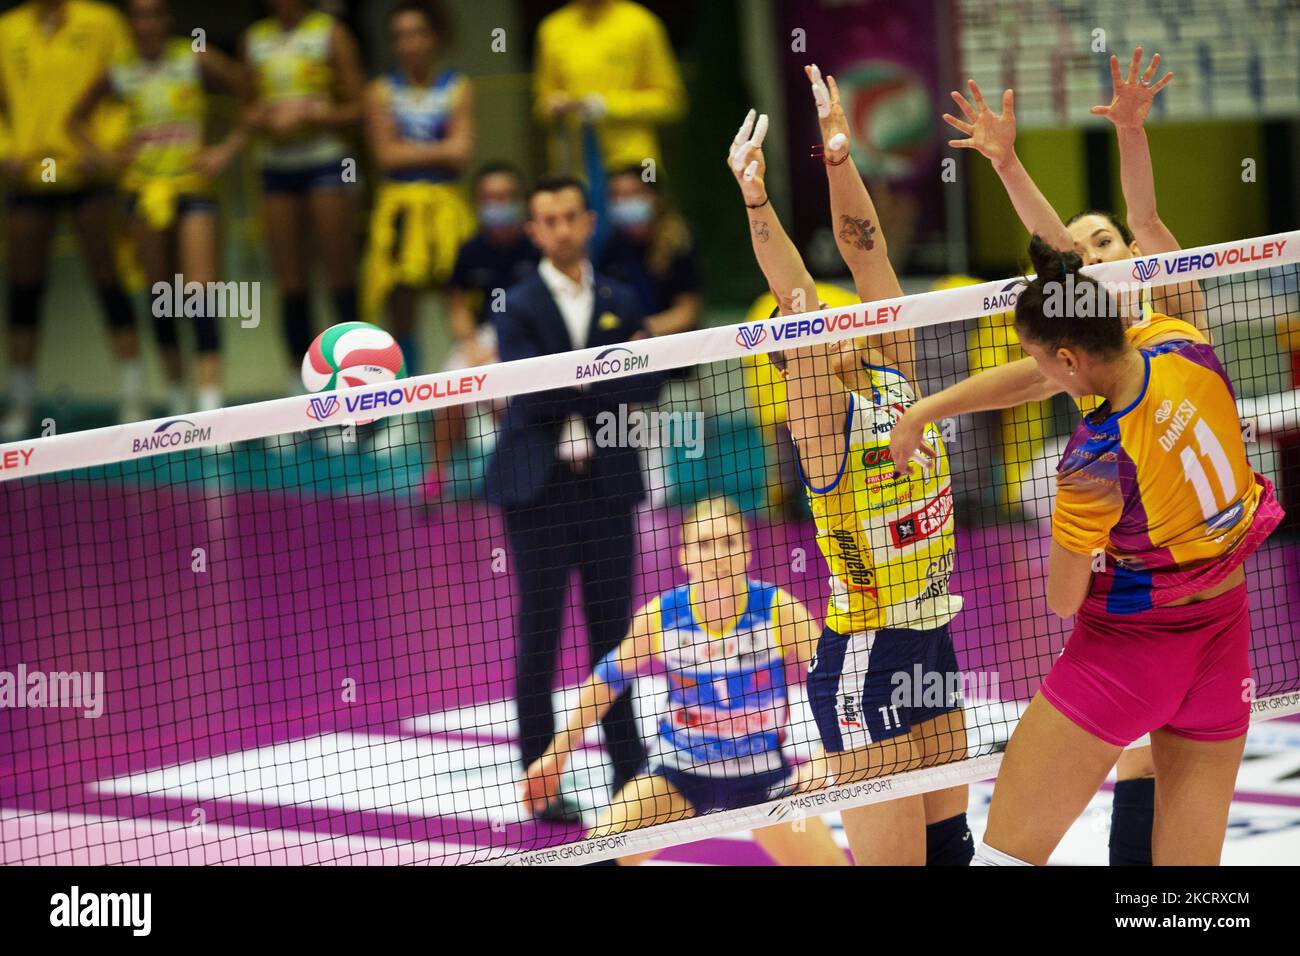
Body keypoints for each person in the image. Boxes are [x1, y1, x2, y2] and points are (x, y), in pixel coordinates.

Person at [894, 48, 1211, 865]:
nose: (1091, 254)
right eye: (1080, 250)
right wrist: (930, 405)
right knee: (1134, 746)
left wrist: (1132, 134)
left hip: (1195, 553)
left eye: (1099, 242)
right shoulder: (1080, 356)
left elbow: (1142, 224)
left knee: (1153, 747)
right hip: (1129, 556)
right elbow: (1018, 378)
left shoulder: (1169, 308)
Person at [963, 237, 1283, 866]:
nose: (1042, 379)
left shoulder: (1095, 456)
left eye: (1042, 364)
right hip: (1224, 641)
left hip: (1128, 655)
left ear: (1067, 360)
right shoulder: (1176, 340)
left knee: (1004, 860)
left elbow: (1061, 599)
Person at [726, 66, 971, 868]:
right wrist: (757, 203)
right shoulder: (820, 420)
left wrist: (838, 158)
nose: (835, 314)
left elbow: (867, 254)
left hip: (929, 635)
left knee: (952, 849)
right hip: (865, 657)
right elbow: (793, 292)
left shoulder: (894, 366)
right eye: (816, 322)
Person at [520, 497, 847, 866]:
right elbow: (606, 680)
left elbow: (835, 684)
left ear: (746, 552)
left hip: (764, 779)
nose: (717, 556)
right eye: (704, 544)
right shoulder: (661, 617)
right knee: (597, 858)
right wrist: (556, 756)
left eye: (729, 542)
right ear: (684, 557)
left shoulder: (778, 609)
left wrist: (825, 758)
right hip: (678, 772)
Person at [484, 174, 664, 821]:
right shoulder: (515, 304)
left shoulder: (619, 294)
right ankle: (541, 782)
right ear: (534, 231)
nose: (560, 228)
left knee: (616, 639)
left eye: (569, 216)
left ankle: (629, 770)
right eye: (546, 219)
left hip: (608, 488)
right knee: (540, 636)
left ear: (588, 221)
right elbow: (531, 397)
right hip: (538, 494)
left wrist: (595, 376)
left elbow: (651, 386)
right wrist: (612, 365)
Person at [69, 0, 250, 416]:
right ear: (131, 22)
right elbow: (75, 120)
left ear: (169, 19)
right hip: (143, 193)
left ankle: (210, 405)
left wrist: (225, 150)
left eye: (156, 14)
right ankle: (176, 396)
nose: (147, 23)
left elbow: (252, 95)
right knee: (161, 295)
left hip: (193, 188)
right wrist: (109, 157)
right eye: (139, 15)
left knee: (200, 294)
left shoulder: (194, 58)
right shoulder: (120, 69)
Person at [0, 0, 142, 438]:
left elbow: (130, 87)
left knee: (108, 280)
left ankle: (133, 396)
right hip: (30, 179)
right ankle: (21, 403)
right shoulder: (7, 29)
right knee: (24, 289)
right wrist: (6, 152)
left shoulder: (102, 22)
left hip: (88, 175)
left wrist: (106, 149)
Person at [242, 0, 364, 388]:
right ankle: (300, 389)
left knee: (339, 274)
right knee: (290, 282)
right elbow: (246, 109)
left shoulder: (330, 33)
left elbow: (359, 105)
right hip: (276, 167)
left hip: (326, 161)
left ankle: (357, 380)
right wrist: (262, 118)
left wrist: (313, 116)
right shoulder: (253, 39)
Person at [361, 0, 475, 371]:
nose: (409, 43)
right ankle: (406, 412)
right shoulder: (380, 91)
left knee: (458, 295)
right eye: (400, 36)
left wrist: (408, 149)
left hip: (446, 207)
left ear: (434, 37)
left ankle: (471, 395)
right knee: (400, 303)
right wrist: (439, 151)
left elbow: (462, 153)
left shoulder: (458, 87)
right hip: (398, 208)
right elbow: (385, 157)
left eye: (418, 33)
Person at [422, 162, 538, 502]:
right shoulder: (470, 250)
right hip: (482, 339)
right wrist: (471, 344)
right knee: (448, 389)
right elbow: (456, 304)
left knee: (509, 400)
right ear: (477, 203)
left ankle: (516, 472)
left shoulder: (536, 248)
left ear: (521, 200)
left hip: (529, 339)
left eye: (505, 197)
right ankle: (436, 474)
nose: (498, 205)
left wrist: (505, 349)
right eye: (489, 198)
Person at [533, 0, 685, 173]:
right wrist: (552, 106)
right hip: (576, 163)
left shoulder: (640, 23)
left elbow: (671, 101)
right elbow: (542, 103)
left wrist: (609, 106)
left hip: (633, 161)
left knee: (635, 196)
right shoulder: (552, 28)